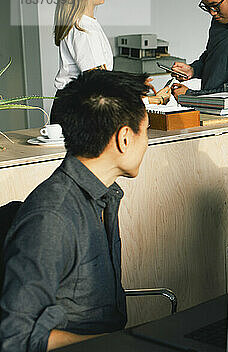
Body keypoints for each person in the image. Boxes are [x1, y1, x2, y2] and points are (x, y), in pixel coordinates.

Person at [0, 71, 150, 351]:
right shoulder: (52, 218)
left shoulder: (105, 196)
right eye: (146, 131)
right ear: (125, 138)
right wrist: (121, 344)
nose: (147, 142)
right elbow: (15, 339)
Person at [53, 0, 115, 90]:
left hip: (73, 105)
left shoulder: (85, 24)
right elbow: (98, 85)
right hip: (77, 108)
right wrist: (147, 98)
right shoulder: (83, 29)